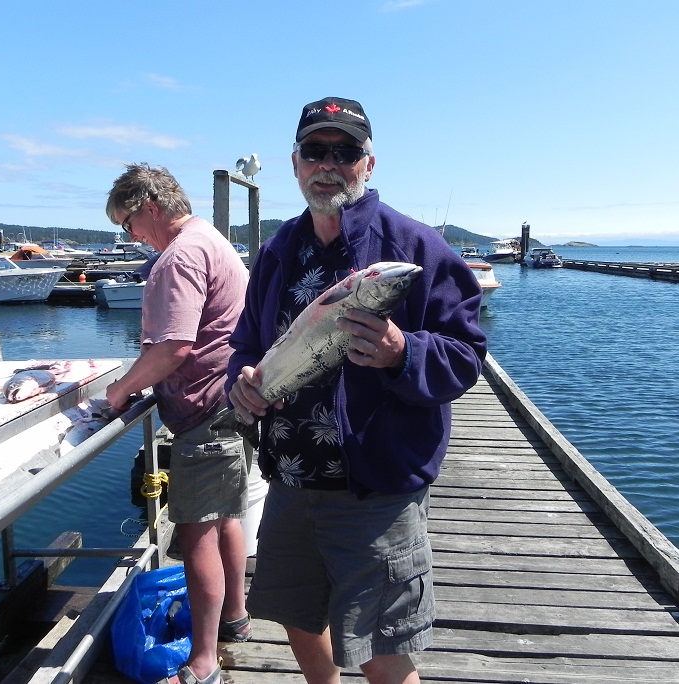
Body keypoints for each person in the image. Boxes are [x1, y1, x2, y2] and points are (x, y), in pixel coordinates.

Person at [225, 98, 488, 684]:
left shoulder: (415, 248)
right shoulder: (278, 250)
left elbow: (467, 355)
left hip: (374, 487)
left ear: (369, 163)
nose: (329, 164)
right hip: (289, 478)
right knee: (297, 616)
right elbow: (246, 343)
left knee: (382, 648)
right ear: (296, 163)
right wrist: (241, 381)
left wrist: (404, 352)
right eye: (316, 151)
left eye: (345, 151)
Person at [105, 163, 252, 684]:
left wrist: (121, 390)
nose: (131, 236)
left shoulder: (180, 255)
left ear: (150, 207)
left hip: (203, 415)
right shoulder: (211, 239)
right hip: (231, 407)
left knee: (196, 536)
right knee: (225, 517)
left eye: (128, 223)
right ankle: (235, 616)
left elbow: (174, 347)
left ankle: (204, 662)